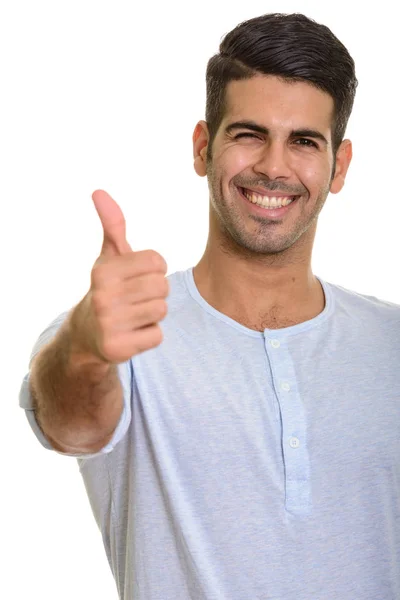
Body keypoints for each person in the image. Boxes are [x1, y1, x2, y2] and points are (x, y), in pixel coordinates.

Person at [19, 12, 400, 600]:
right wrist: (87, 350)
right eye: (248, 134)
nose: (274, 166)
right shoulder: (123, 328)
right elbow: (70, 423)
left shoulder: (391, 343)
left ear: (339, 166)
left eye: (303, 141)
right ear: (203, 148)